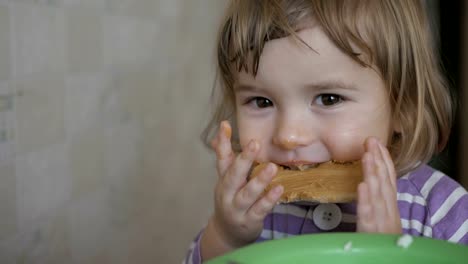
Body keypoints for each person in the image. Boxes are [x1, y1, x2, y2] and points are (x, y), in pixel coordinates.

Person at [184, 0, 468, 263]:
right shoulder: (255, 209)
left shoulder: (441, 214)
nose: (289, 135)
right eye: (262, 102)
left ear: (402, 108)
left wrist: (387, 254)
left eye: (329, 99)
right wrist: (225, 237)